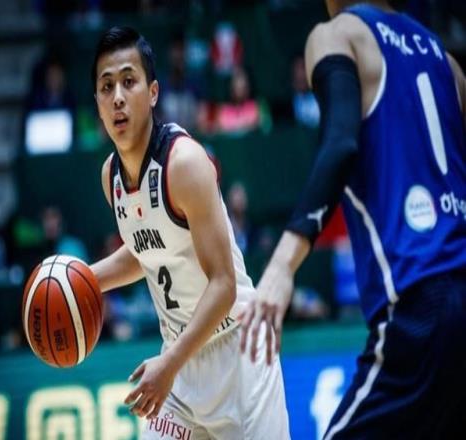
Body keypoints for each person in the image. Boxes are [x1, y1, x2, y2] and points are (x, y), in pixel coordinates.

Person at [240, 0, 466, 438]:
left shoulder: (338, 35)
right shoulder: (447, 62)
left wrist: (283, 265)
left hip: (420, 303)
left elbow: (341, 143)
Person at [88, 26, 290, 439]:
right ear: (98, 103)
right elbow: (149, 251)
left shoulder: (185, 164)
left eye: (129, 81)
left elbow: (224, 284)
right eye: (107, 87)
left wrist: (169, 364)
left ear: (153, 93)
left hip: (239, 355)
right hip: (180, 366)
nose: (118, 97)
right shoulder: (111, 177)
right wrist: (83, 282)